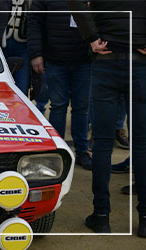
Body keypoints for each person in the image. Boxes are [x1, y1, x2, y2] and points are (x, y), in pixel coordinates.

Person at [67, 0, 146, 236]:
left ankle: (102, 216)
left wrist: (91, 38)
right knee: (141, 144)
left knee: (102, 145)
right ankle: (144, 219)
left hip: (107, 59)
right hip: (138, 61)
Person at [27, 0, 93, 170]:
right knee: (58, 106)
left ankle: (82, 151)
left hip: (85, 59)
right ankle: (58, 152)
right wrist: (36, 54)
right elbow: (34, 22)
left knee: (81, 107)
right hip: (55, 59)